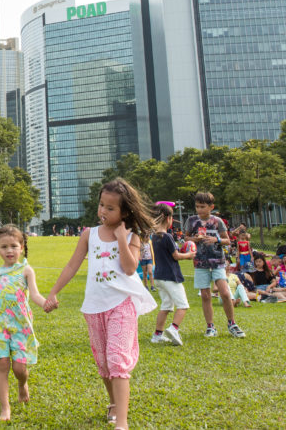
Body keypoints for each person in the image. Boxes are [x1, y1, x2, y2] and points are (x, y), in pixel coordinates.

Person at [45, 178, 157, 428]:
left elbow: (130, 269)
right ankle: (115, 404)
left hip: (121, 304)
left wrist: (121, 238)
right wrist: (52, 292)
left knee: (117, 360)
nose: (103, 211)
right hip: (94, 306)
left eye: (110, 208)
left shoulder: (132, 236)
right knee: (105, 364)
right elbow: (72, 265)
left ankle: (122, 423)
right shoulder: (89, 234)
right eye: (101, 205)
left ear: (125, 211)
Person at [0, 225, 46, 421]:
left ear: (22, 246)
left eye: (13, 246)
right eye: (4, 247)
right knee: (2, 363)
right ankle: (5, 409)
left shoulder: (26, 270)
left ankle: (22, 384)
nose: (9, 250)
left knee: (19, 369)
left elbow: (34, 295)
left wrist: (46, 304)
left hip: (20, 325)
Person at [183, 191, 246, 337]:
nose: (199, 210)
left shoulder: (218, 221)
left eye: (203, 207)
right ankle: (210, 326)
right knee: (205, 295)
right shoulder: (192, 220)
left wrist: (215, 240)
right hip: (200, 262)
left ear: (211, 207)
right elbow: (186, 238)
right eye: (197, 206)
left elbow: (227, 240)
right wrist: (194, 239)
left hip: (218, 261)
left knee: (224, 292)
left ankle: (232, 323)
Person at [149, 204, 193, 346]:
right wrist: (189, 255)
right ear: (168, 218)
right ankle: (173, 328)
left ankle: (157, 335)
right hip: (170, 276)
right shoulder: (167, 236)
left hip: (159, 277)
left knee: (166, 306)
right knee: (183, 305)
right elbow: (176, 256)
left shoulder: (154, 236)